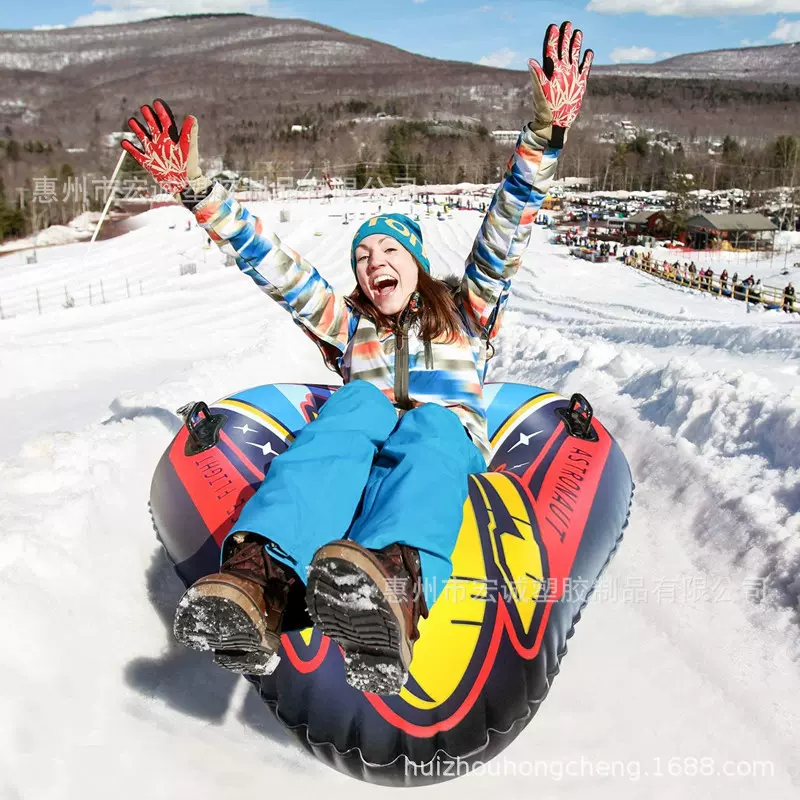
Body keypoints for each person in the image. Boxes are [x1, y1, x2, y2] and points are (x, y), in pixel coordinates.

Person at [122, 21, 593, 695]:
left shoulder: (466, 311)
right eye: (363, 258)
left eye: (390, 251)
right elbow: (275, 268)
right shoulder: (348, 327)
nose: (375, 264)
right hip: (360, 448)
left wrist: (545, 138)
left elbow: (505, 227)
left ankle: (391, 596)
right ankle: (260, 585)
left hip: (437, 446)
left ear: (419, 264)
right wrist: (200, 194)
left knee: (432, 425)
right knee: (352, 410)